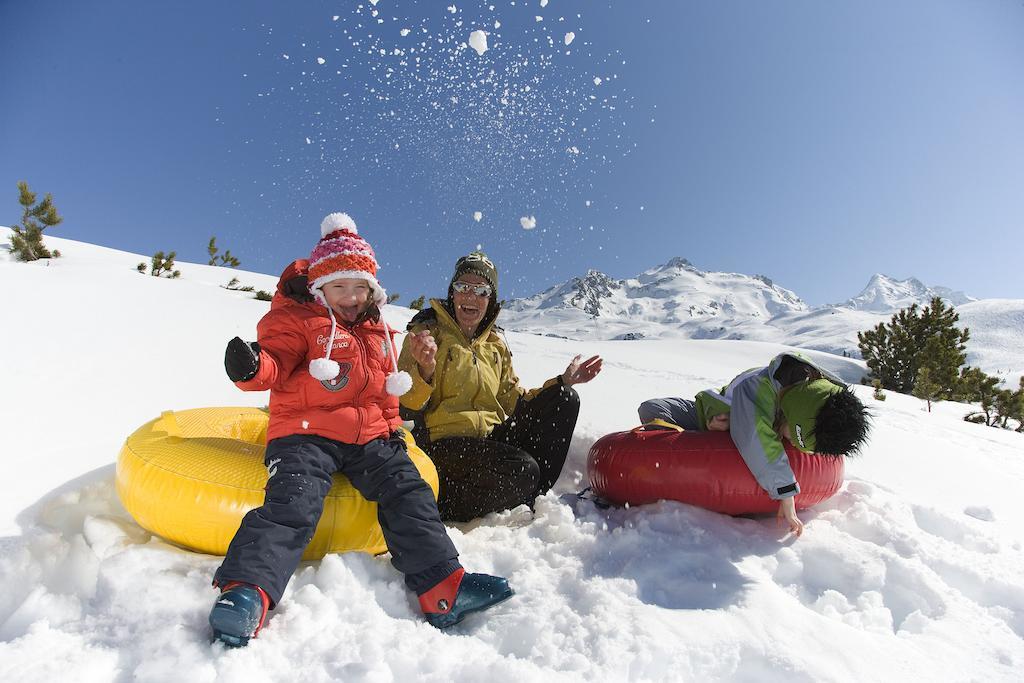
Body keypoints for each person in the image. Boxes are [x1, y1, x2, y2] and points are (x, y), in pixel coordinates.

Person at [208, 214, 512, 646]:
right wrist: (252, 367)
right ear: (320, 288)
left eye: (359, 288)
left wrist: (392, 430)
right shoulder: (299, 322)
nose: (350, 298)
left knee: (409, 490)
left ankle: (443, 587)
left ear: (372, 290)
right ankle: (246, 591)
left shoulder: (377, 331)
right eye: (339, 287)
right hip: (306, 433)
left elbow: (386, 394)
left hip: (370, 437)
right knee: (294, 501)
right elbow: (274, 363)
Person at [398, 252, 603, 522]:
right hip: (445, 448)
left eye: (481, 290)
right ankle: (442, 502)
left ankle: (529, 497)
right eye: (463, 287)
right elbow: (405, 404)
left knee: (564, 399)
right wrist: (425, 370)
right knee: (523, 470)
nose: (471, 297)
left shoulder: (494, 344)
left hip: (489, 443)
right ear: (452, 293)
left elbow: (516, 401)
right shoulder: (426, 335)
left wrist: (562, 382)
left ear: (490, 299)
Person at [638, 352, 870, 537]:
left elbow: (838, 397)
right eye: (792, 436)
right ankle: (672, 441)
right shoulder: (759, 390)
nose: (790, 443)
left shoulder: (814, 384)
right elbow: (755, 438)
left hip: (735, 425)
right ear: (793, 415)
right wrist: (786, 494)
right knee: (651, 409)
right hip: (703, 415)